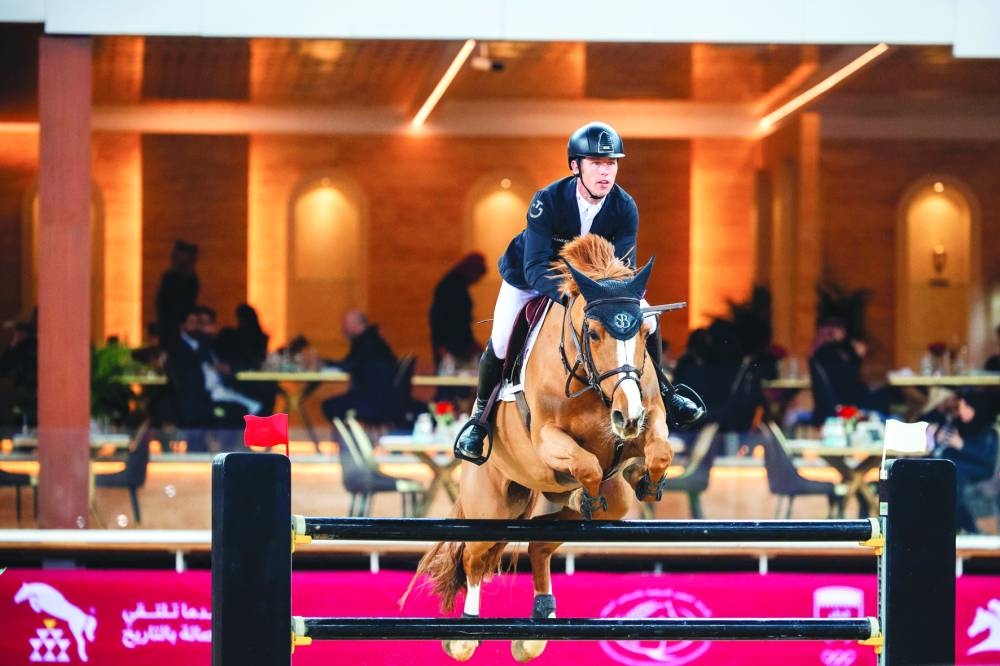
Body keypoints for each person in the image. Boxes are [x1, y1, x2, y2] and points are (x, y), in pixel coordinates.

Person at [453, 121, 705, 465]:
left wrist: (614, 299)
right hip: (529, 279)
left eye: (611, 163)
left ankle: (665, 392)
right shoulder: (547, 201)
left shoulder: (624, 207)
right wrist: (575, 299)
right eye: (596, 163)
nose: (605, 172)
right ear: (575, 166)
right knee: (500, 340)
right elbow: (535, 267)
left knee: (648, 319)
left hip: (596, 290)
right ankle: (479, 420)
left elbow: (623, 269)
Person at [929, 389, 998, 534]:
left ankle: (959, 525)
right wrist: (937, 436)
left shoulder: (988, 431)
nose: (961, 411)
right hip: (959, 471)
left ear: (975, 408)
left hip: (981, 473)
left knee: (954, 477)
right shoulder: (958, 424)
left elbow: (987, 461)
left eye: (965, 406)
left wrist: (962, 445)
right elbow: (944, 449)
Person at [321, 310, 399, 423]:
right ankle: (347, 432)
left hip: (374, 401)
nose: (343, 327)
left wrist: (324, 362)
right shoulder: (370, 339)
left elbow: (349, 364)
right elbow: (350, 363)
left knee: (330, 407)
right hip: (382, 398)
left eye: (346, 323)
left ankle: (346, 432)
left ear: (357, 324)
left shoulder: (367, 342)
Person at [429, 252, 487, 372]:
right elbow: (443, 320)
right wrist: (443, 346)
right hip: (451, 347)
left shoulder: (454, 285)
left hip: (454, 345)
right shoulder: (452, 287)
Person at [155, 240, 200, 352]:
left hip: (181, 322)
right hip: (168, 322)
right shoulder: (169, 276)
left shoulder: (191, 278)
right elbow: (162, 301)